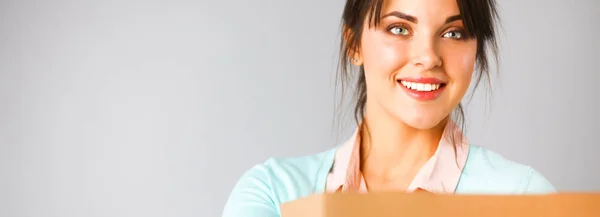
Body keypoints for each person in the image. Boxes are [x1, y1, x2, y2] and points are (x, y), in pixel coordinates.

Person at [222, 0, 555, 216]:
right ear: (354, 44)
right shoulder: (273, 194)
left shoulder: (525, 200)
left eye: (454, 33)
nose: (428, 56)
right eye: (399, 28)